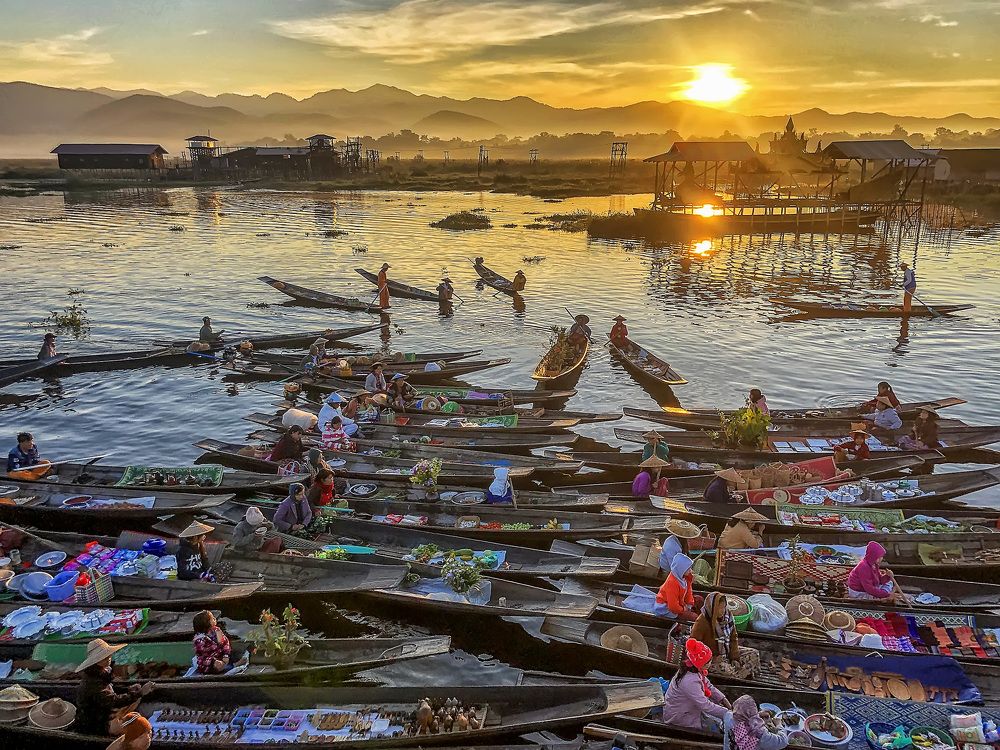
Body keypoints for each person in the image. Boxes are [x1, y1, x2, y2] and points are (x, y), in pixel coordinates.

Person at [75, 638, 154, 738]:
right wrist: (141, 692)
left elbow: (110, 687)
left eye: (108, 656)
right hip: (95, 722)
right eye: (104, 658)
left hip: (104, 710)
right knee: (131, 730)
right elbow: (113, 700)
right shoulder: (92, 683)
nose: (108, 658)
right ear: (96, 661)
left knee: (136, 690)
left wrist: (129, 689)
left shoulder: (102, 671)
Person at [661, 637, 731, 731]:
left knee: (716, 712)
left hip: (686, 708)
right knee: (717, 724)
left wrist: (723, 699)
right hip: (679, 717)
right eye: (708, 661)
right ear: (701, 664)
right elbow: (705, 705)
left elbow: (708, 685)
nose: (711, 663)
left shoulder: (695, 670)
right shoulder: (689, 681)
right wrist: (728, 713)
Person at [692, 592, 760, 680]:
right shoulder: (702, 622)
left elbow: (733, 638)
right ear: (712, 608)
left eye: (724, 607)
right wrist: (711, 658)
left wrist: (734, 657)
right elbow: (694, 646)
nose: (722, 611)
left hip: (726, 650)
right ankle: (740, 677)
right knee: (727, 671)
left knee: (754, 653)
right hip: (710, 659)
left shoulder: (728, 616)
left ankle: (741, 672)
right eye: (719, 608)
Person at [192, 610, 248, 675]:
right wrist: (216, 659)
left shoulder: (217, 630)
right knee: (216, 665)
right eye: (212, 619)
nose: (214, 619)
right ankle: (232, 666)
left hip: (221, 654)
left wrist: (226, 655)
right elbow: (205, 655)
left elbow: (225, 643)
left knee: (237, 651)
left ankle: (229, 664)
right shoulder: (199, 640)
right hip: (209, 661)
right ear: (207, 623)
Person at [723, 696, 789, 750]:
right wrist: (779, 724)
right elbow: (783, 741)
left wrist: (758, 715)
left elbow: (744, 719)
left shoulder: (728, 717)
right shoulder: (759, 734)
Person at [656, 553, 699, 621]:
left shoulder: (686, 577)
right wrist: (683, 609)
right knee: (695, 618)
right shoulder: (671, 583)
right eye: (688, 569)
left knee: (699, 600)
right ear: (681, 569)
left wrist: (689, 604)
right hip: (667, 607)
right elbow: (673, 606)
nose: (690, 570)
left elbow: (688, 592)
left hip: (680, 602)